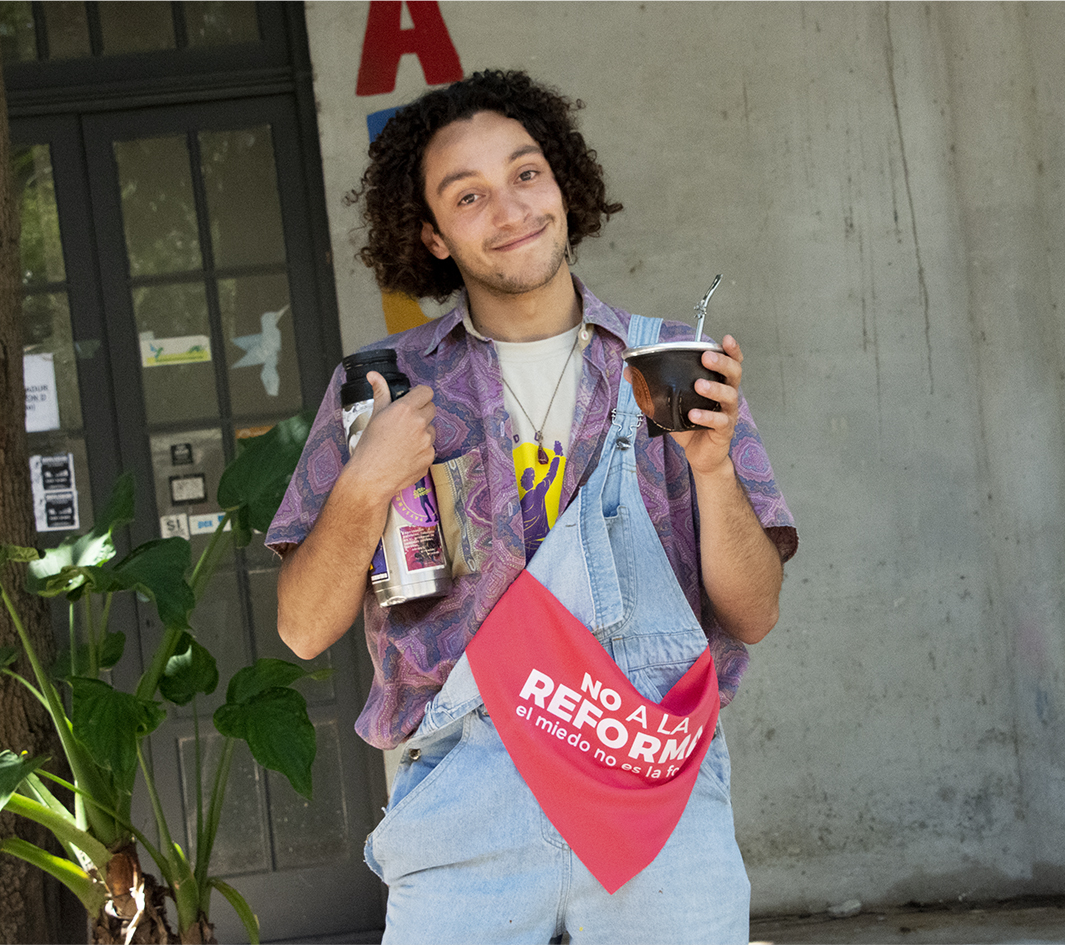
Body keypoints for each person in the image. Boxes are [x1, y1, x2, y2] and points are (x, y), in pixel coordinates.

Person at [267, 69, 797, 945]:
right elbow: (300, 627)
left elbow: (755, 612)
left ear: (561, 184)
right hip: (465, 802)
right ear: (432, 235)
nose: (509, 208)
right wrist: (364, 483)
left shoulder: (671, 365)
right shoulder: (381, 388)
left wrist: (710, 469)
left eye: (524, 174)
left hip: (652, 789)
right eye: (467, 195)